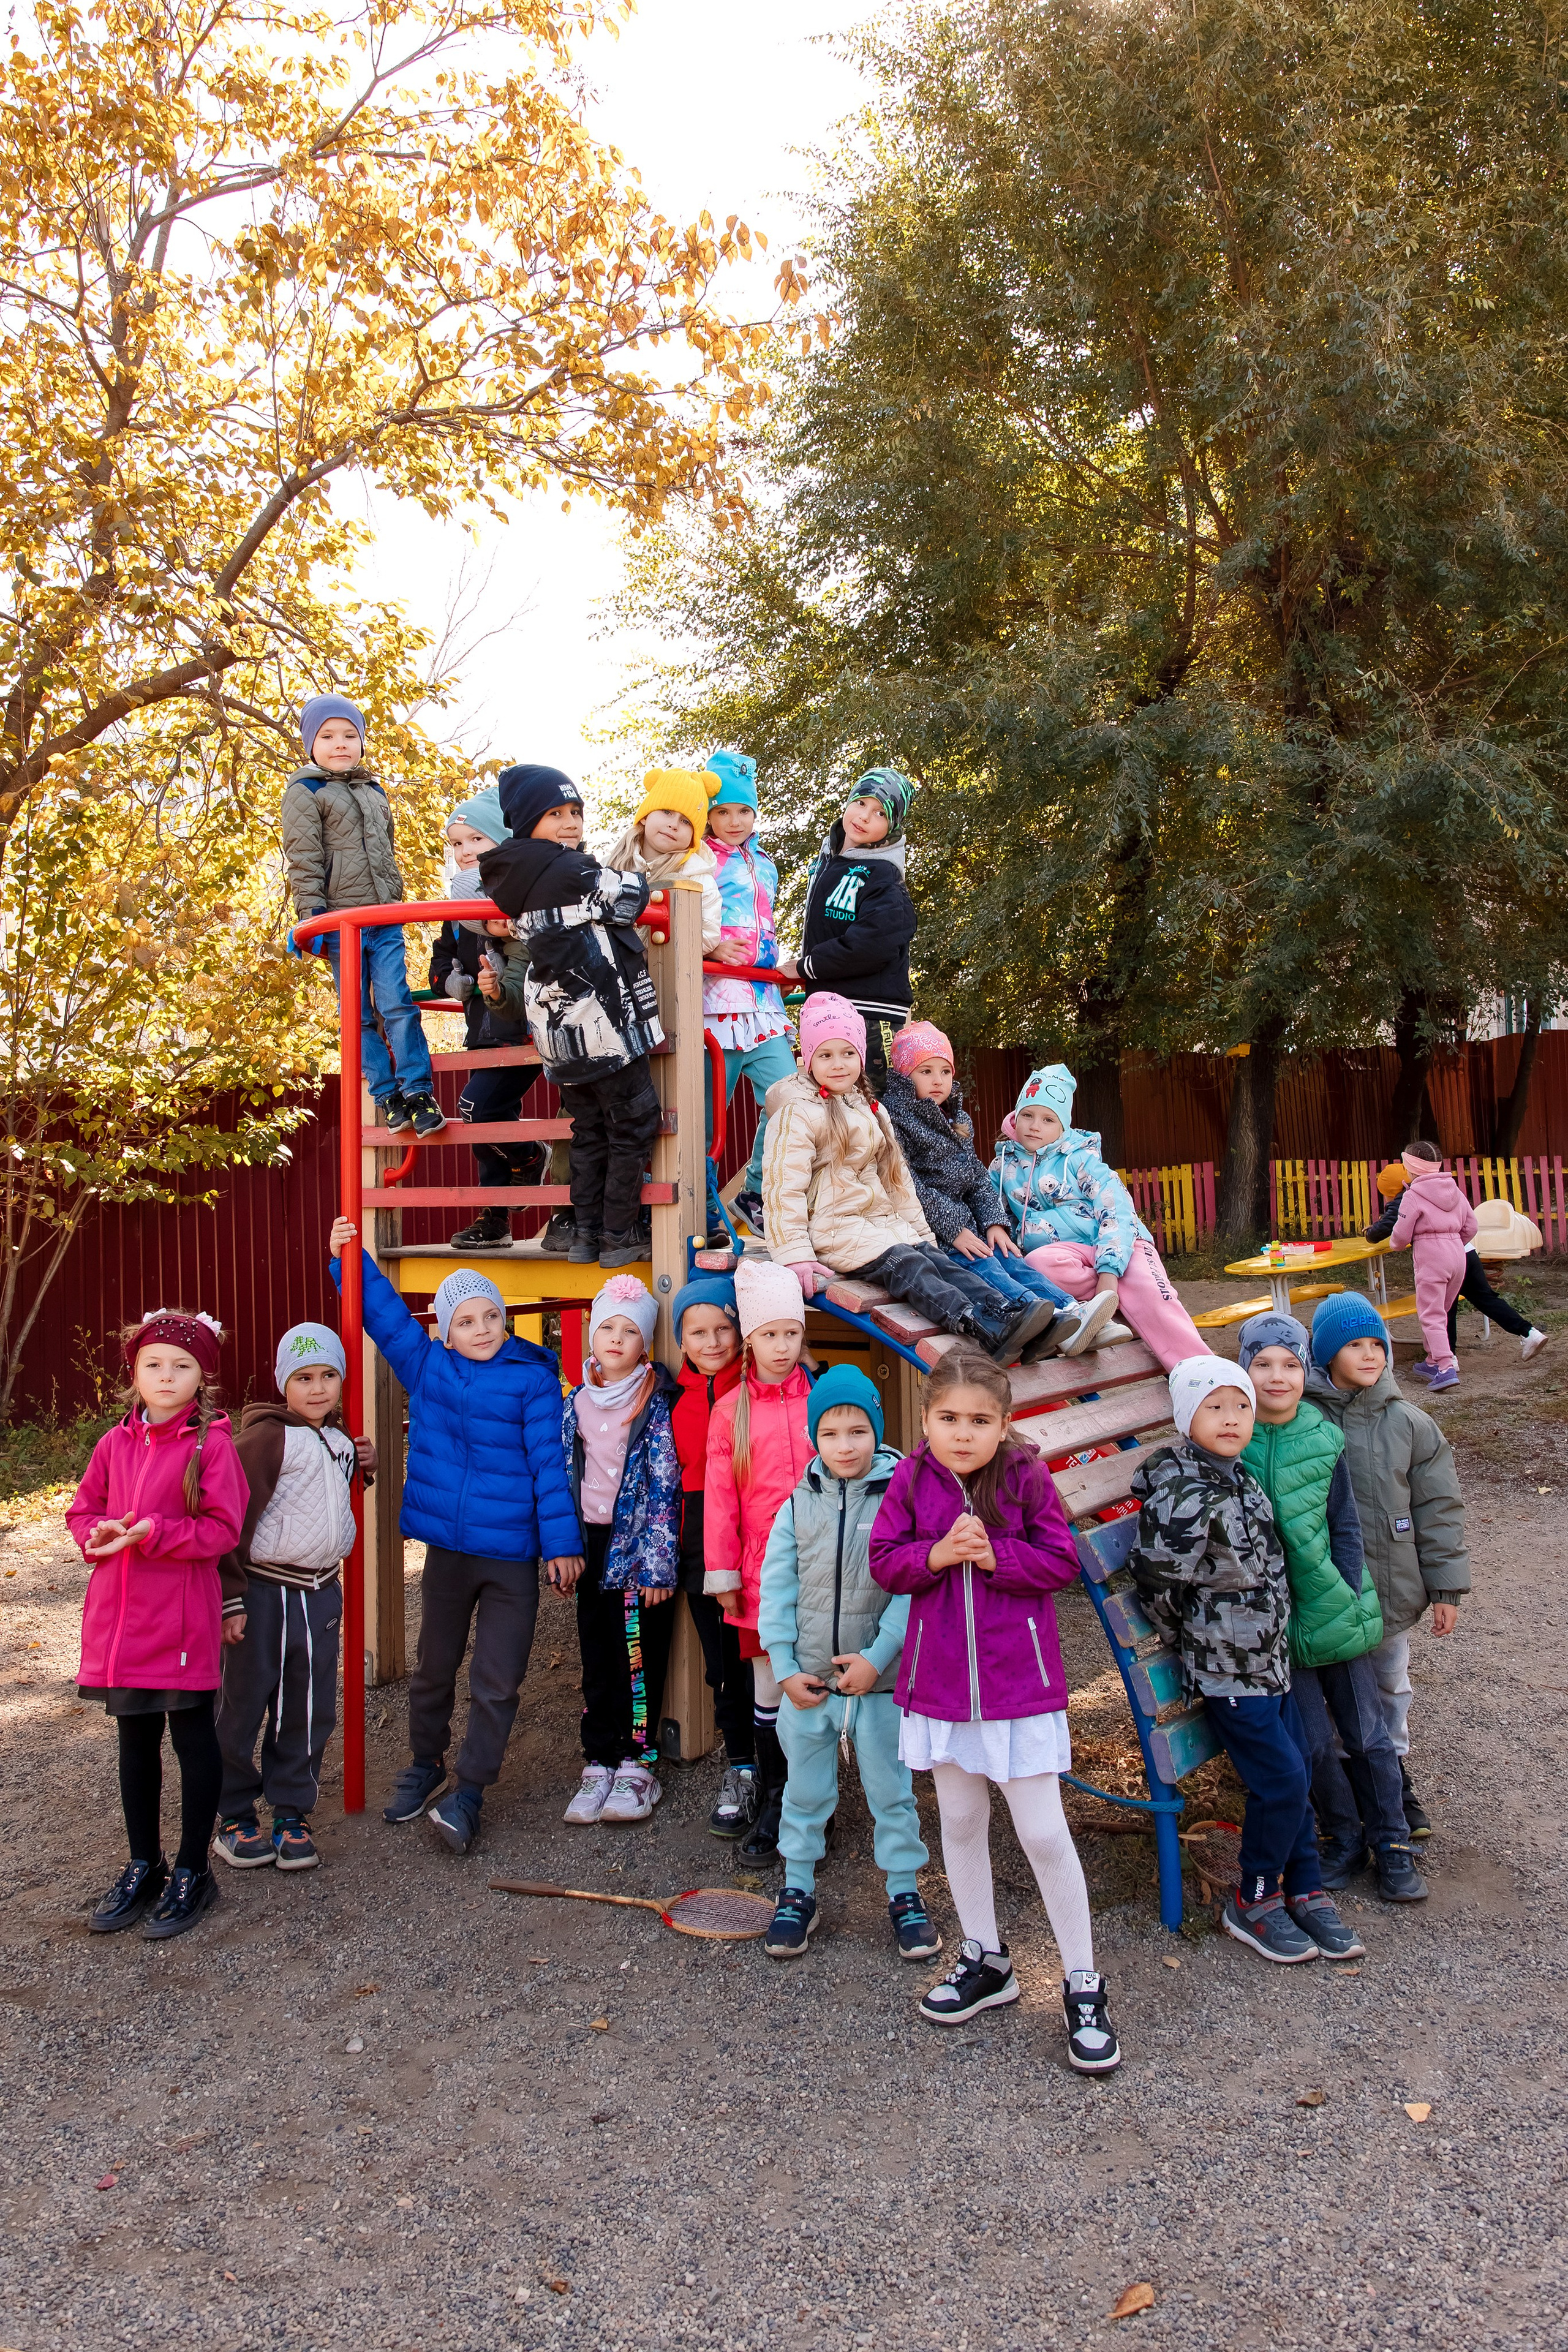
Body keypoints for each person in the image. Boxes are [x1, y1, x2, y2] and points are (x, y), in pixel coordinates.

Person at [868, 1348, 1120, 2070]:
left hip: (1017, 1689)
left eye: (979, 1420)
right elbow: (885, 1561)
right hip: (940, 1689)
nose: (963, 1433)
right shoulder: (912, 1478)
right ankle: (986, 1958)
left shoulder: (1024, 1475)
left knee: (1041, 1831)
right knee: (959, 1818)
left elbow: (1059, 1561)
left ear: (1004, 1424)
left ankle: (1081, 1980)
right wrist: (938, 1555)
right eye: (948, 1418)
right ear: (925, 1420)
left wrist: (992, 1558)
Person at [330, 1218, 583, 1856]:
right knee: (432, 1667)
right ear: (444, 1329)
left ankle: (469, 1791)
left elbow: (549, 1468)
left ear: (505, 1321)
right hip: (448, 1552)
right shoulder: (429, 1370)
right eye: (465, 1321)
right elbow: (384, 1317)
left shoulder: (530, 1380)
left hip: (511, 1558)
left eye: (489, 1318)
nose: (480, 1331)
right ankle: (426, 1762)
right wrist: (346, 1256)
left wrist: (560, 1545)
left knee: (496, 1679)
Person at [1128, 1356, 1361, 1966]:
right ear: (1187, 1417)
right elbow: (1158, 1585)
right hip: (1229, 1669)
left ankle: (1302, 1888)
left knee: (1299, 1770)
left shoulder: (1238, 1478)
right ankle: (1253, 1900)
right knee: (1281, 1779)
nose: (1231, 1419)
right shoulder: (1182, 1493)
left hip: (1269, 1661)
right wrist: (1202, 1641)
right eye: (1214, 1407)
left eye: (1239, 1406)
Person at [67, 1310, 248, 1941]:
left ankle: (195, 1869)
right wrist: (99, 1533)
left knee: (193, 1740)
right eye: (153, 1365)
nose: (166, 1376)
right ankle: (145, 1863)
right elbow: (82, 1509)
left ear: (203, 1377)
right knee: (135, 1743)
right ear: (134, 1373)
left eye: (182, 1366)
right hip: (121, 1622)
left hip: (180, 1622)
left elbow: (224, 1530)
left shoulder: (212, 1444)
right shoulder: (114, 1443)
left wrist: (156, 1532)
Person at [1237, 1315, 1424, 1907]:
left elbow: (1344, 1523)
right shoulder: (1232, 1437)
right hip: (1277, 1630)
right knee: (1312, 1745)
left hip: (1334, 1611)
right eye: (1262, 1363)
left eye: (1290, 1365)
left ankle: (1392, 1842)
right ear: (1243, 1370)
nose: (1277, 1377)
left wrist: (1345, 1589)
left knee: (1367, 1734)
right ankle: (1344, 1836)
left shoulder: (1322, 1435)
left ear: (1306, 1372)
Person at [761, 994, 1058, 1366]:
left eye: (848, 1053)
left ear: (862, 1058)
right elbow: (781, 1188)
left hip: (881, 1226)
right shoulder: (798, 1114)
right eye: (826, 1055)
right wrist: (795, 1257)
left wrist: (923, 1235)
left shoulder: (871, 1108)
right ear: (808, 1059)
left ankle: (1011, 1317)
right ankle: (978, 1325)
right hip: (836, 1231)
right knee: (911, 1267)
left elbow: (898, 1182)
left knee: (940, 1262)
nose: (838, 1064)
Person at [757, 1365, 938, 1960]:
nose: (843, 1444)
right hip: (809, 1683)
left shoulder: (899, 1497)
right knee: (804, 1792)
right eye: (830, 1432)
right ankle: (797, 1888)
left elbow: (909, 1591)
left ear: (876, 1431)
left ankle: (905, 1894)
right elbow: (775, 1588)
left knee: (892, 1793)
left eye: (857, 1431)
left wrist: (876, 1657)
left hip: (879, 1683)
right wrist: (783, 1666)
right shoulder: (797, 1503)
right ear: (815, 1437)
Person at [481, 763, 663, 1268]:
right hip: (599, 1020)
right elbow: (631, 895)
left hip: (558, 1029)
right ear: (526, 823)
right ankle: (619, 1233)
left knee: (589, 1128)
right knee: (633, 1121)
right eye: (555, 813)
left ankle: (585, 1235)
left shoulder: (515, 875)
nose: (570, 823)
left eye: (576, 812)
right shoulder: (568, 869)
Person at [1306, 1291, 1468, 1845]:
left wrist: (1445, 1585)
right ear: (1326, 1355)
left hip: (1392, 1590)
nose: (1372, 1354)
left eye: (1377, 1343)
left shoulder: (1411, 1424)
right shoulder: (1302, 1418)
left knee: (1389, 1687)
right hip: (1329, 1592)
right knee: (1337, 1695)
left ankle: (1395, 1779)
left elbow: (1439, 1507)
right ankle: (1349, 1784)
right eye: (1355, 1344)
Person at [213, 1324, 376, 1872]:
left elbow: (326, 1493)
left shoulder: (336, 1439)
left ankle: (290, 1810)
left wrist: (365, 1466)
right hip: (263, 1589)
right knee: (244, 1699)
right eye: (304, 1377)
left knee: (307, 1706)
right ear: (284, 1382)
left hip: (319, 1591)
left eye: (329, 1375)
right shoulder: (264, 1438)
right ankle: (234, 1811)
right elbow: (231, 1517)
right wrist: (230, 1597)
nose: (317, 1388)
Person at [880, 1020, 1117, 1361]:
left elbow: (978, 1179)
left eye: (945, 1071)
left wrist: (994, 1223)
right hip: (934, 1230)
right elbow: (906, 1183)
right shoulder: (895, 1120)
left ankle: (1076, 1314)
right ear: (904, 1076)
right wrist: (953, 1228)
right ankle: (1044, 1322)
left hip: (972, 1226)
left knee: (1013, 1260)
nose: (938, 1080)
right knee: (988, 1269)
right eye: (926, 1071)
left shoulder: (956, 1119)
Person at [281, 693, 445, 1138]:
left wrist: (395, 898)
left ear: (362, 742)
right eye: (328, 736)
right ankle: (386, 1092)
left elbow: (385, 853)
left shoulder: (374, 791)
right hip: (342, 922)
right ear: (310, 743)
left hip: (383, 916)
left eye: (350, 735)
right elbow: (305, 858)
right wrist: (311, 917)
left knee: (397, 1002)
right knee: (358, 1012)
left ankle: (418, 1090)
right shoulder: (306, 791)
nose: (340, 744)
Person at [703, 1259, 816, 1863]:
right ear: (749, 1339)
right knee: (769, 1685)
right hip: (759, 1579)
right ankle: (775, 1801)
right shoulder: (731, 1412)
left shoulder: (820, 1402)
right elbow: (720, 1504)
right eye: (770, 1335)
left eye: (791, 1334)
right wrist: (722, 1576)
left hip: (819, 1576)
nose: (781, 1346)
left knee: (812, 1684)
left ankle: (813, 1801)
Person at [990, 1063, 1210, 1372]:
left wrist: (1109, 1275)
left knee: (1155, 1298)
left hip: (1122, 1244)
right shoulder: (1002, 1169)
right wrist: (997, 1228)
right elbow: (993, 1211)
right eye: (1027, 1115)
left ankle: (1204, 1374)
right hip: (1065, 1256)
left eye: (1048, 1119)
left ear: (1063, 1127)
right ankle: (1096, 1310)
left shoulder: (1083, 1161)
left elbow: (1116, 1212)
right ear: (1016, 1117)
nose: (1035, 1126)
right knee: (1036, 1264)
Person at [561, 1276, 682, 1828]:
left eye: (629, 1331)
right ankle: (599, 1758)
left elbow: (664, 1486)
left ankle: (637, 1760)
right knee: (596, 1650)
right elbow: (562, 1479)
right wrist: (559, 1547)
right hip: (590, 1543)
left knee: (636, 1655)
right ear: (592, 1336)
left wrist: (658, 1562)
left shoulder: (654, 1404)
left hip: (636, 1549)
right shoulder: (576, 1403)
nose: (615, 1338)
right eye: (606, 1326)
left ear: (645, 1345)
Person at [429, 788, 552, 1252]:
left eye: (475, 840)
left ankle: (529, 1156)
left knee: (476, 1110)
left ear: (500, 843)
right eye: (457, 843)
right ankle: (495, 1216)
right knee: (491, 1117)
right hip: (481, 1029)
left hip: (520, 1028)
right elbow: (439, 963)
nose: (464, 851)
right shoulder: (457, 909)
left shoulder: (517, 893)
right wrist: (449, 983)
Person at [669, 1273, 756, 1839]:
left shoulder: (751, 1386)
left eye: (722, 1327)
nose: (711, 1341)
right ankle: (741, 1766)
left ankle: (775, 1767)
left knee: (758, 1658)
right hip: (694, 1541)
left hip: (745, 1534)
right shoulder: (668, 1396)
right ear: (681, 1340)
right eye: (698, 1331)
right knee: (721, 1663)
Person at [777, 767, 918, 1095]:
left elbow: (871, 945)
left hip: (871, 1011)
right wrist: (804, 972)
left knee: (871, 1112)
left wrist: (804, 967)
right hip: (829, 1004)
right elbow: (827, 931)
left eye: (880, 813)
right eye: (861, 803)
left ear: (891, 827)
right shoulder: (830, 863)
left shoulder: (885, 876)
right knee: (826, 1112)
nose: (865, 817)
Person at [701, 748, 794, 1238]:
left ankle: (753, 1188)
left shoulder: (765, 863)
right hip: (715, 999)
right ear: (708, 816)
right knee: (704, 1118)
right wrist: (712, 943)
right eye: (722, 812)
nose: (734, 821)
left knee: (793, 1098)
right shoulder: (698, 858)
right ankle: (704, 1207)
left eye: (743, 811)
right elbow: (686, 919)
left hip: (763, 1001)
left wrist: (778, 962)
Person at [1364, 1164, 1548, 1370]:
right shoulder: (1442, 1188)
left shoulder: (1409, 1195)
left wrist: (1371, 1232)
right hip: (1466, 1251)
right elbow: (1470, 1224)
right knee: (1485, 1298)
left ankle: (1448, 1358)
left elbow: (1389, 1227)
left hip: (1441, 1256)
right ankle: (1529, 1332)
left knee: (1443, 1307)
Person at [1384, 1142, 1477, 1391]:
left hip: (1431, 1258)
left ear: (1411, 1168)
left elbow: (1400, 1237)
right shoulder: (1454, 1190)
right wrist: (1453, 1244)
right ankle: (1432, 1359)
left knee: (1431, 1314)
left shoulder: (1413, 1196)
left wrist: (1397, 1243)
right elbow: (1472, 1226)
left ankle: (1445, 1367)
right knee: (1441, 1311)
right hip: (1458, 1256)